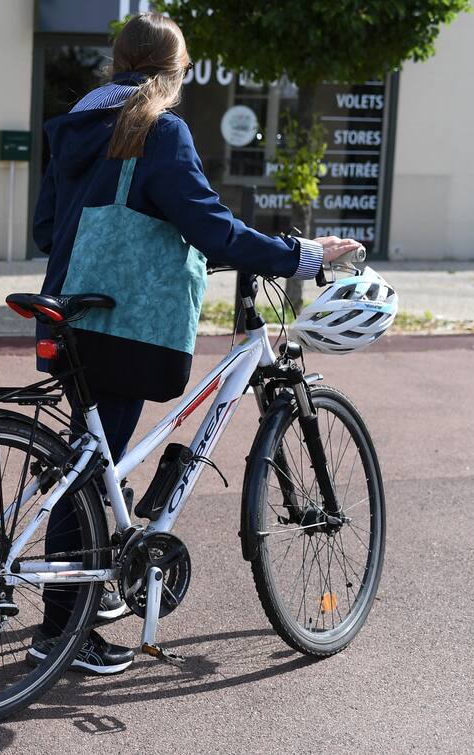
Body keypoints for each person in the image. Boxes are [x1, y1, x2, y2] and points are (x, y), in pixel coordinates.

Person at [25, 12, 363, 676]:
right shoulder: (157, 129)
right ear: (173, 75)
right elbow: (213, 230)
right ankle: (61, 634)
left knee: (90, 462)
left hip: (65, 315)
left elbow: (46, 230)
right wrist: (301, 255)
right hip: (121, 324)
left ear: (115, 66)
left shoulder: (72, 127)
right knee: (94, 478)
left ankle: (76, 604)